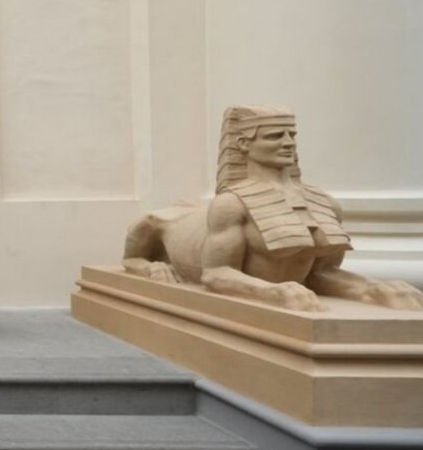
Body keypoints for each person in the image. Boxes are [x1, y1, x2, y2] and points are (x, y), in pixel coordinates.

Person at [123, 105, 423, 311]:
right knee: (153, 220)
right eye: (275, 136)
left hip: (291, 284)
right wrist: (270, 292)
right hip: (183, 232)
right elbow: (215, 274)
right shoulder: (230, 206)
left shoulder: (326, 205)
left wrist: (369, 289)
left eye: (292, 135)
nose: (288, 143)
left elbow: (320, 273)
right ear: (243, 143)